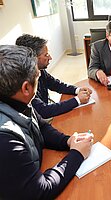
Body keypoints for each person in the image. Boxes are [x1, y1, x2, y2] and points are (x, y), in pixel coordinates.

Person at [0, 45, 94, 199]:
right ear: (26, 88)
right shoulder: (5, 141)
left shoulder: (16, 100)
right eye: (37, 77)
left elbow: (41, 126)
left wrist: (68, 141)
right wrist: (77, 154)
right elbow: (40, 190)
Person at [16, 34, 92, 119]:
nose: (50, 58)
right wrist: (77, 100)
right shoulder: (23, 83)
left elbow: (56, 85)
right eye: (46, 55)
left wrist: (77, 90)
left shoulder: (39, 70)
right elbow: (43, 111)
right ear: (33, 58)